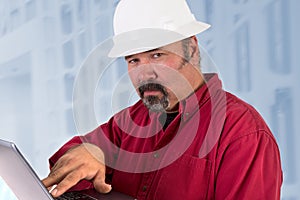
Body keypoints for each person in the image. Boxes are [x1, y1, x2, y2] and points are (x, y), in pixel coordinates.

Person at [42, 0, 283, 199]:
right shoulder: (131, 121)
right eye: (133, 60)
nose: (144, 73)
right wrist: (89, 151)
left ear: (192, 48)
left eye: (157, 54)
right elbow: (68, 158)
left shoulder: (243, 134)